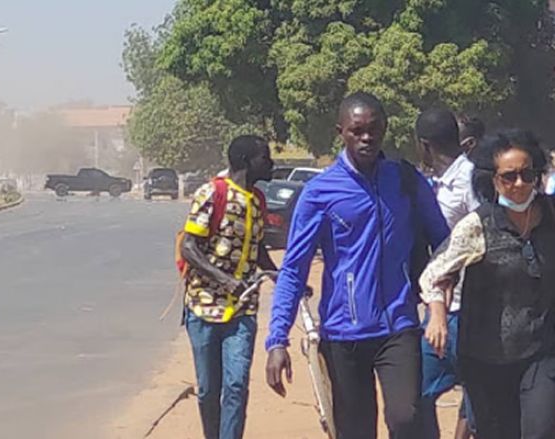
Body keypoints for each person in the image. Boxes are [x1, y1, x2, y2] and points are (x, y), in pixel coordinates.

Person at [265, 92, 449, 439]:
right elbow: (293, 269)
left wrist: (437, 301)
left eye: (374, 129)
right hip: (342, 334)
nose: (366, 138)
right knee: (355, 430)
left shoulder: (407, 181)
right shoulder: (320, 192)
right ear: (341, 132)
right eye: (357, 130)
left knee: (407, 418)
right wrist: (278, 340)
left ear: (385, 129)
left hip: (399, 326)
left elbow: (445, 244)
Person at [421, 130, 555, 439]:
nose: (519, 184)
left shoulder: (550, 216)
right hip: (485, 360)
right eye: (509, 177)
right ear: (492, 181)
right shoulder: (478, 226)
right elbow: (433, 273)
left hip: (540, 351)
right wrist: (438, 312)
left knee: (540, 430)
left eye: (527, 174)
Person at [181, 135, 277, 439]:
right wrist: (225, 280)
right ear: (247, 161)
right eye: (265, 157)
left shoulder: (258, 200)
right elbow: (188, 247)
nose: (271, 163)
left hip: (242, 309)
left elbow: (258, 249)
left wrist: (280, 275)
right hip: (203, 307)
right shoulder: (212, 193)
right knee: (209, 390)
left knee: (236, 386)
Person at [414, 107, 480, 439]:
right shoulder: (437, 183)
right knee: (417, 393)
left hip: (470, 310)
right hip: (439, 310)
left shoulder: (470, 180)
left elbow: (485, 238)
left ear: (424, 145)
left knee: (479, 396)